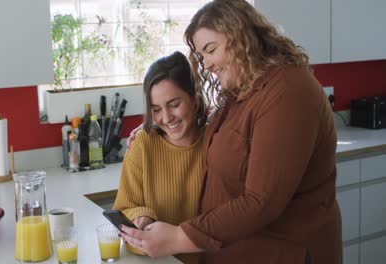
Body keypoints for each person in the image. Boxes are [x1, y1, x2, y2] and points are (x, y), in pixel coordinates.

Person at [119, 1, 342, 263]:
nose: (207, 64)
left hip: (283, 253)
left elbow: (261, 201)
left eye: (211, 50)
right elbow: (226, 136)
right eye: (202, 56)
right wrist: (157, 125)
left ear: (241, 37)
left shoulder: (287, 91)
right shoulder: (242, 89)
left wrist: (179, 237)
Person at [112, 51, 207, 263]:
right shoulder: (143, 144)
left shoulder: (216, 141)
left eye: (174, 104)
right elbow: (124, 209)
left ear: (194, 97)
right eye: (156, 109)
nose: (166, 117)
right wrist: (141, 216)